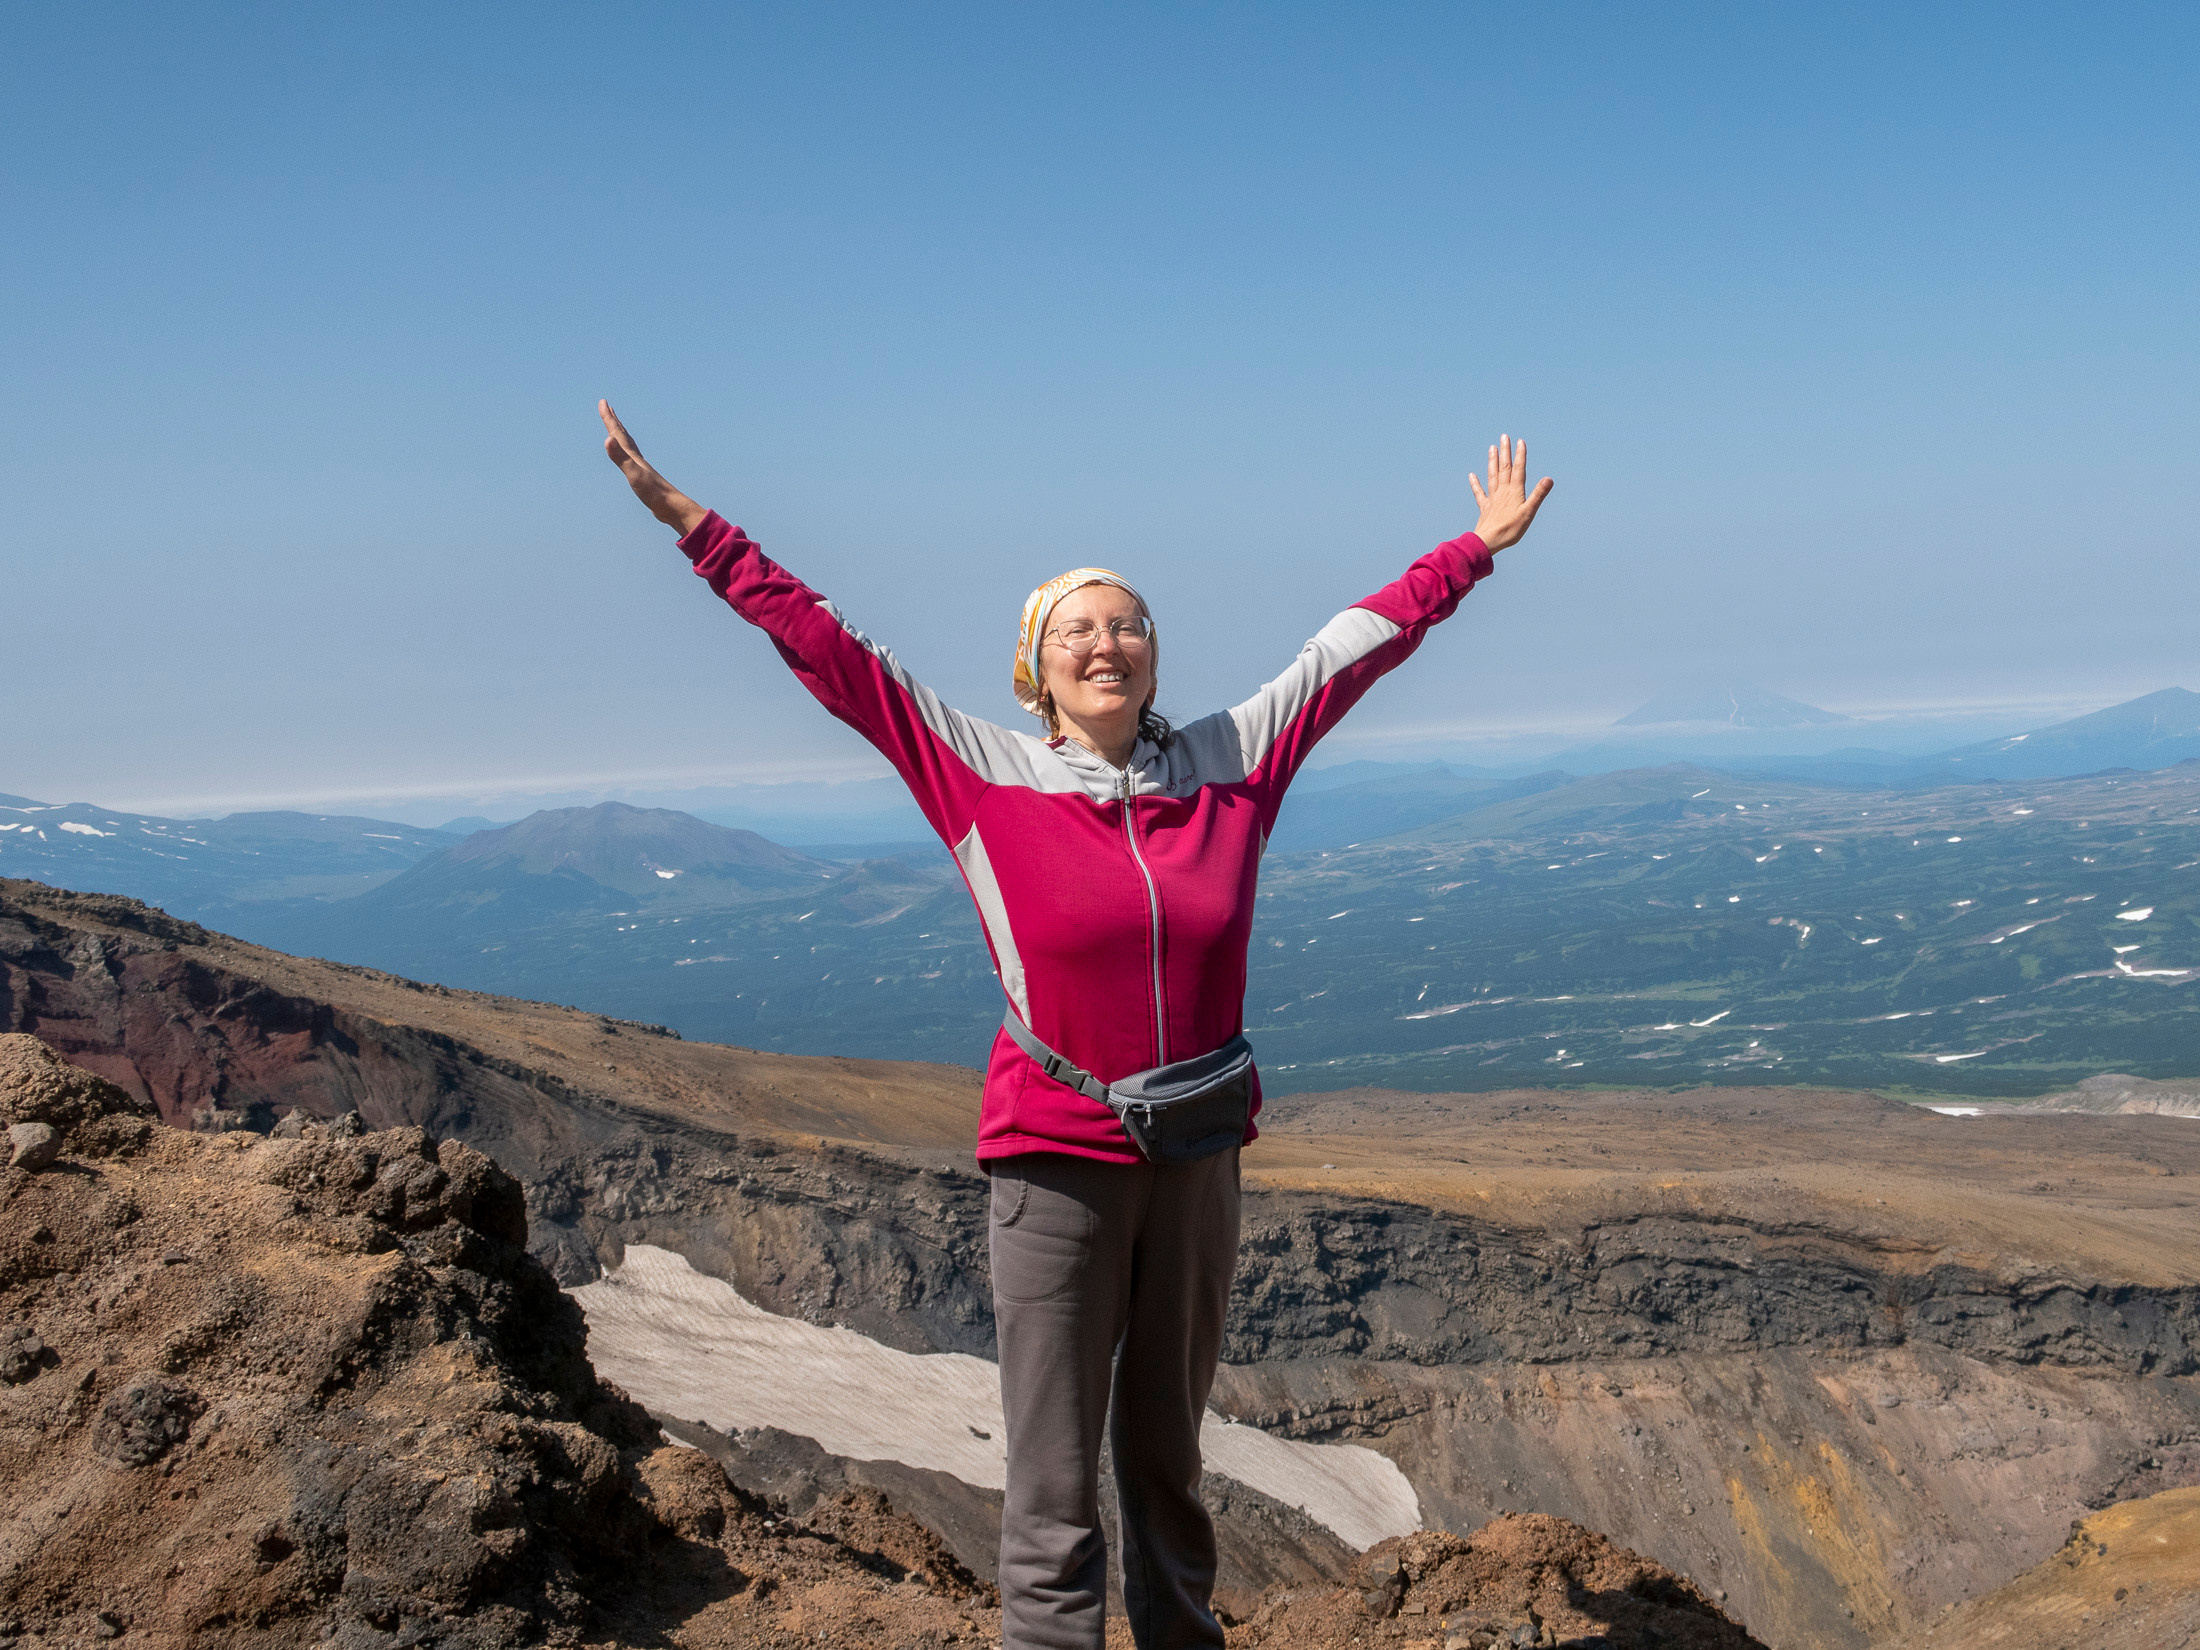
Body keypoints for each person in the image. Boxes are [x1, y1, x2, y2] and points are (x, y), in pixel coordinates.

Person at [598, 400, 1552, 1650]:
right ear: (1034, 664)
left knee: (1167, 1448)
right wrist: (695, 527)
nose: (1107, 643)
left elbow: (1348, 649)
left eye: (1128, 624)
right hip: (1055, 1159)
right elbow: (828, 649)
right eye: (1076, 629)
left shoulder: (1232, 759)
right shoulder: (976, 768)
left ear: (1155, 652)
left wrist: (1471, 550)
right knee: (1052, 1475)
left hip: (1199, 1153)